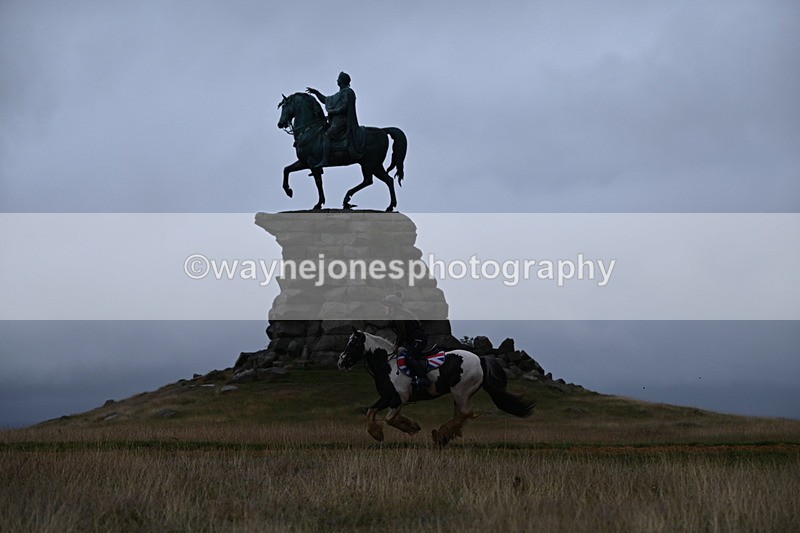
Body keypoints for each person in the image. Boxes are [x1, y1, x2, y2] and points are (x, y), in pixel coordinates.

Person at [306, 71, 361, 168]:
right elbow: (325, 100)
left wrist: (333, 112)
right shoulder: (338, 94)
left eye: (338, 79)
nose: (337, 80)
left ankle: (325, 160)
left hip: (342, 122)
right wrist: (316, 93)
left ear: (342, 81)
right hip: (336, 121)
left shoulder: (348, 92)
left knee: (327, 135)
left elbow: (344, 107)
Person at [383, 292, 430, 387]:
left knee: (409, 357)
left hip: (418, 339)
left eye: (386, 306)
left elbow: (402, 334)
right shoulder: (397, 316)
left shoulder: (399, 317)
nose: (384, 308)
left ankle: (423, 379)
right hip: (414, 340)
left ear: (393, 307)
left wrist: (397, 345)